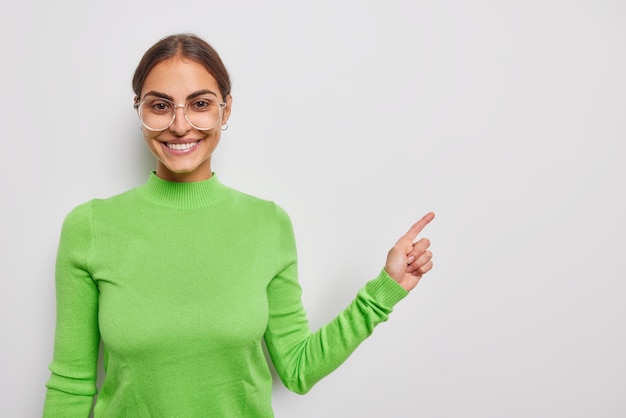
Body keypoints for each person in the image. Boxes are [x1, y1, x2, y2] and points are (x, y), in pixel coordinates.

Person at [43, 33, 435, 417]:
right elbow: (71, 385)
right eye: (160, 106)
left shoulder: (269, 224)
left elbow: (297, 368)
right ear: (140, 111)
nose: (180, 125)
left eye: (199, 104)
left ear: (225, 110)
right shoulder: (91, 227)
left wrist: (385, 291)